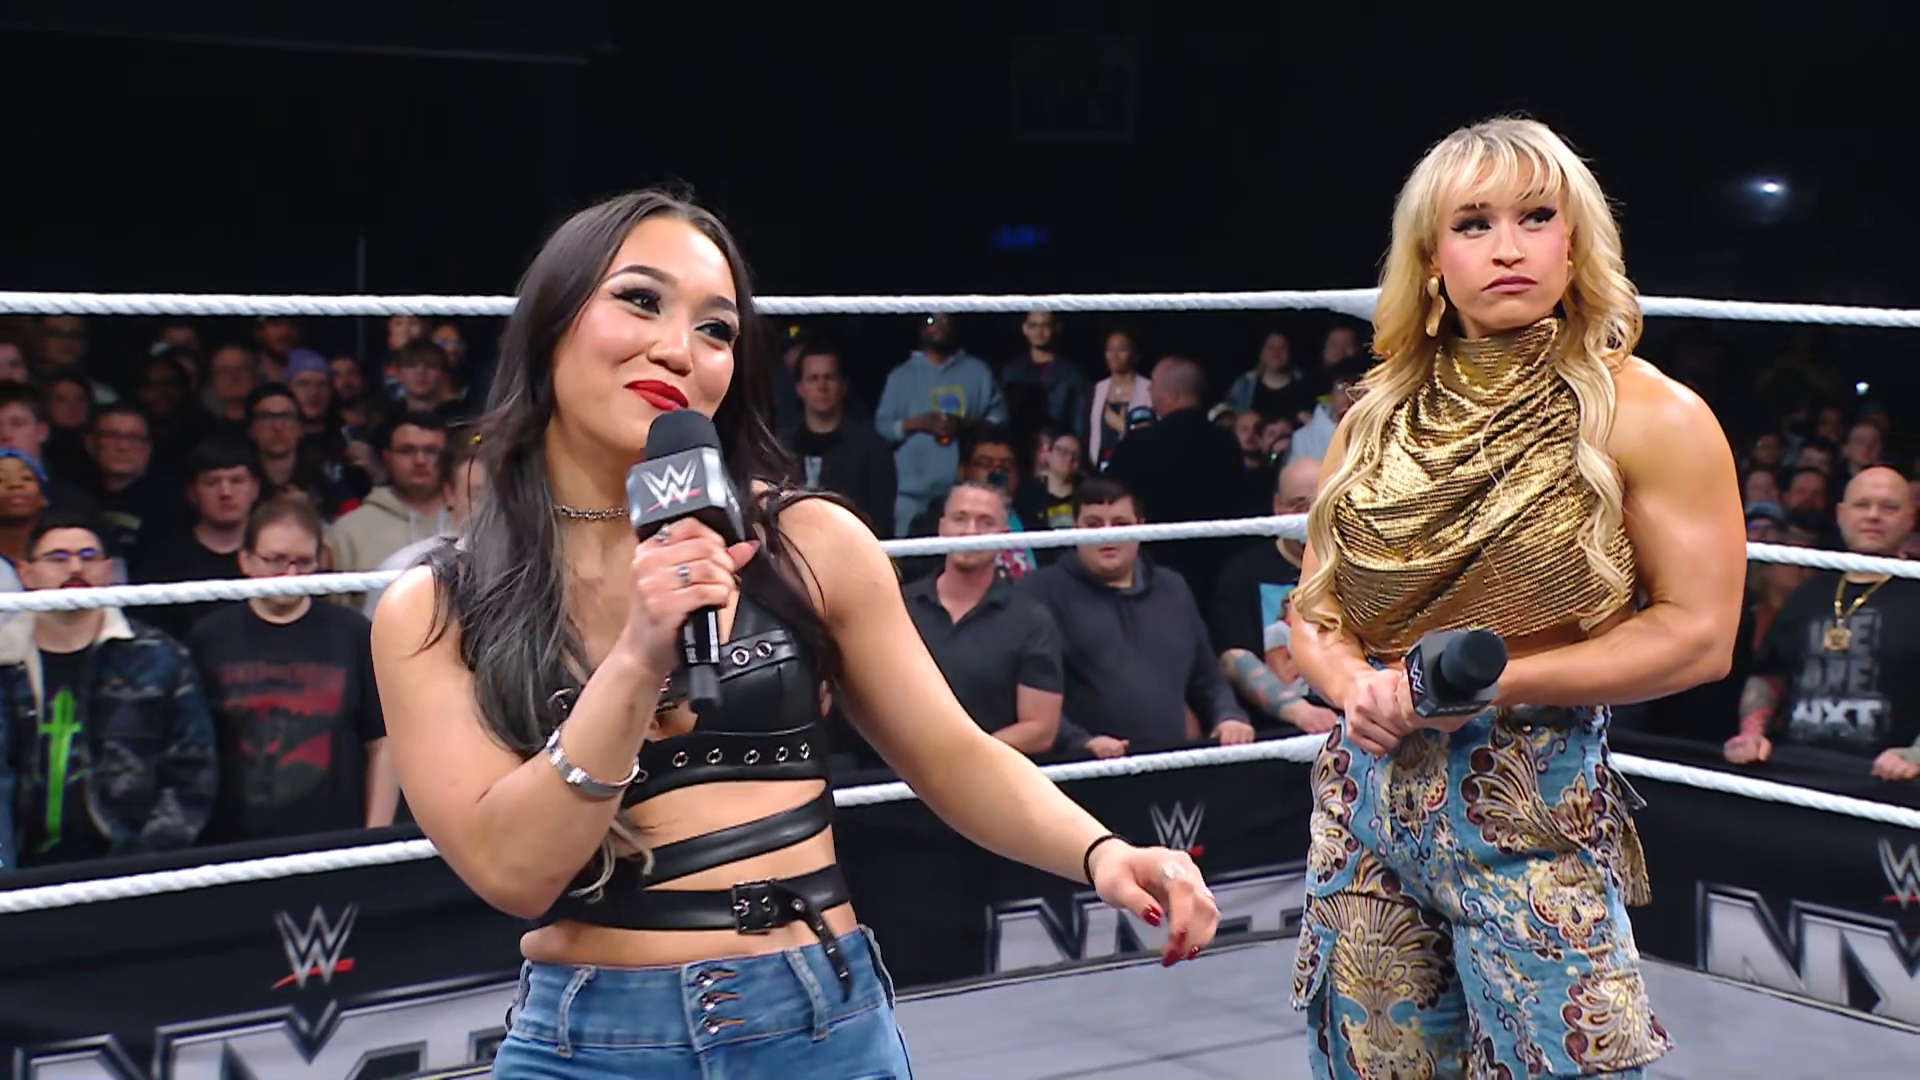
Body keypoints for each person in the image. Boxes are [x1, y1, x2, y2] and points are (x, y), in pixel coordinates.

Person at [371, 191, 1221, 1078]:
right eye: (640, 300)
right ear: (551, 320)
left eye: (716, 329)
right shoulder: (435, 609)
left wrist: (1103, 851)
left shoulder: (808, 541)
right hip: (591, 1042)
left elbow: (950, 754)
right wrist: (638, 658)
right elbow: (515, 874)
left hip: (817, 1025)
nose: (679, 349)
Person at [1286, 117, 1744, 1079]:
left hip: (1530, 806)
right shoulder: (1375, 417)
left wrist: (1494, 685)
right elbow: (1315, 611)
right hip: (1366, 802)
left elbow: (1700, 636)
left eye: (1536, 217)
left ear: (1575, 241)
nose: (1507, 247)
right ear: (1431, 256)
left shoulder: (1649, 413)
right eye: (1473, 223)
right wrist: (1355, 687)